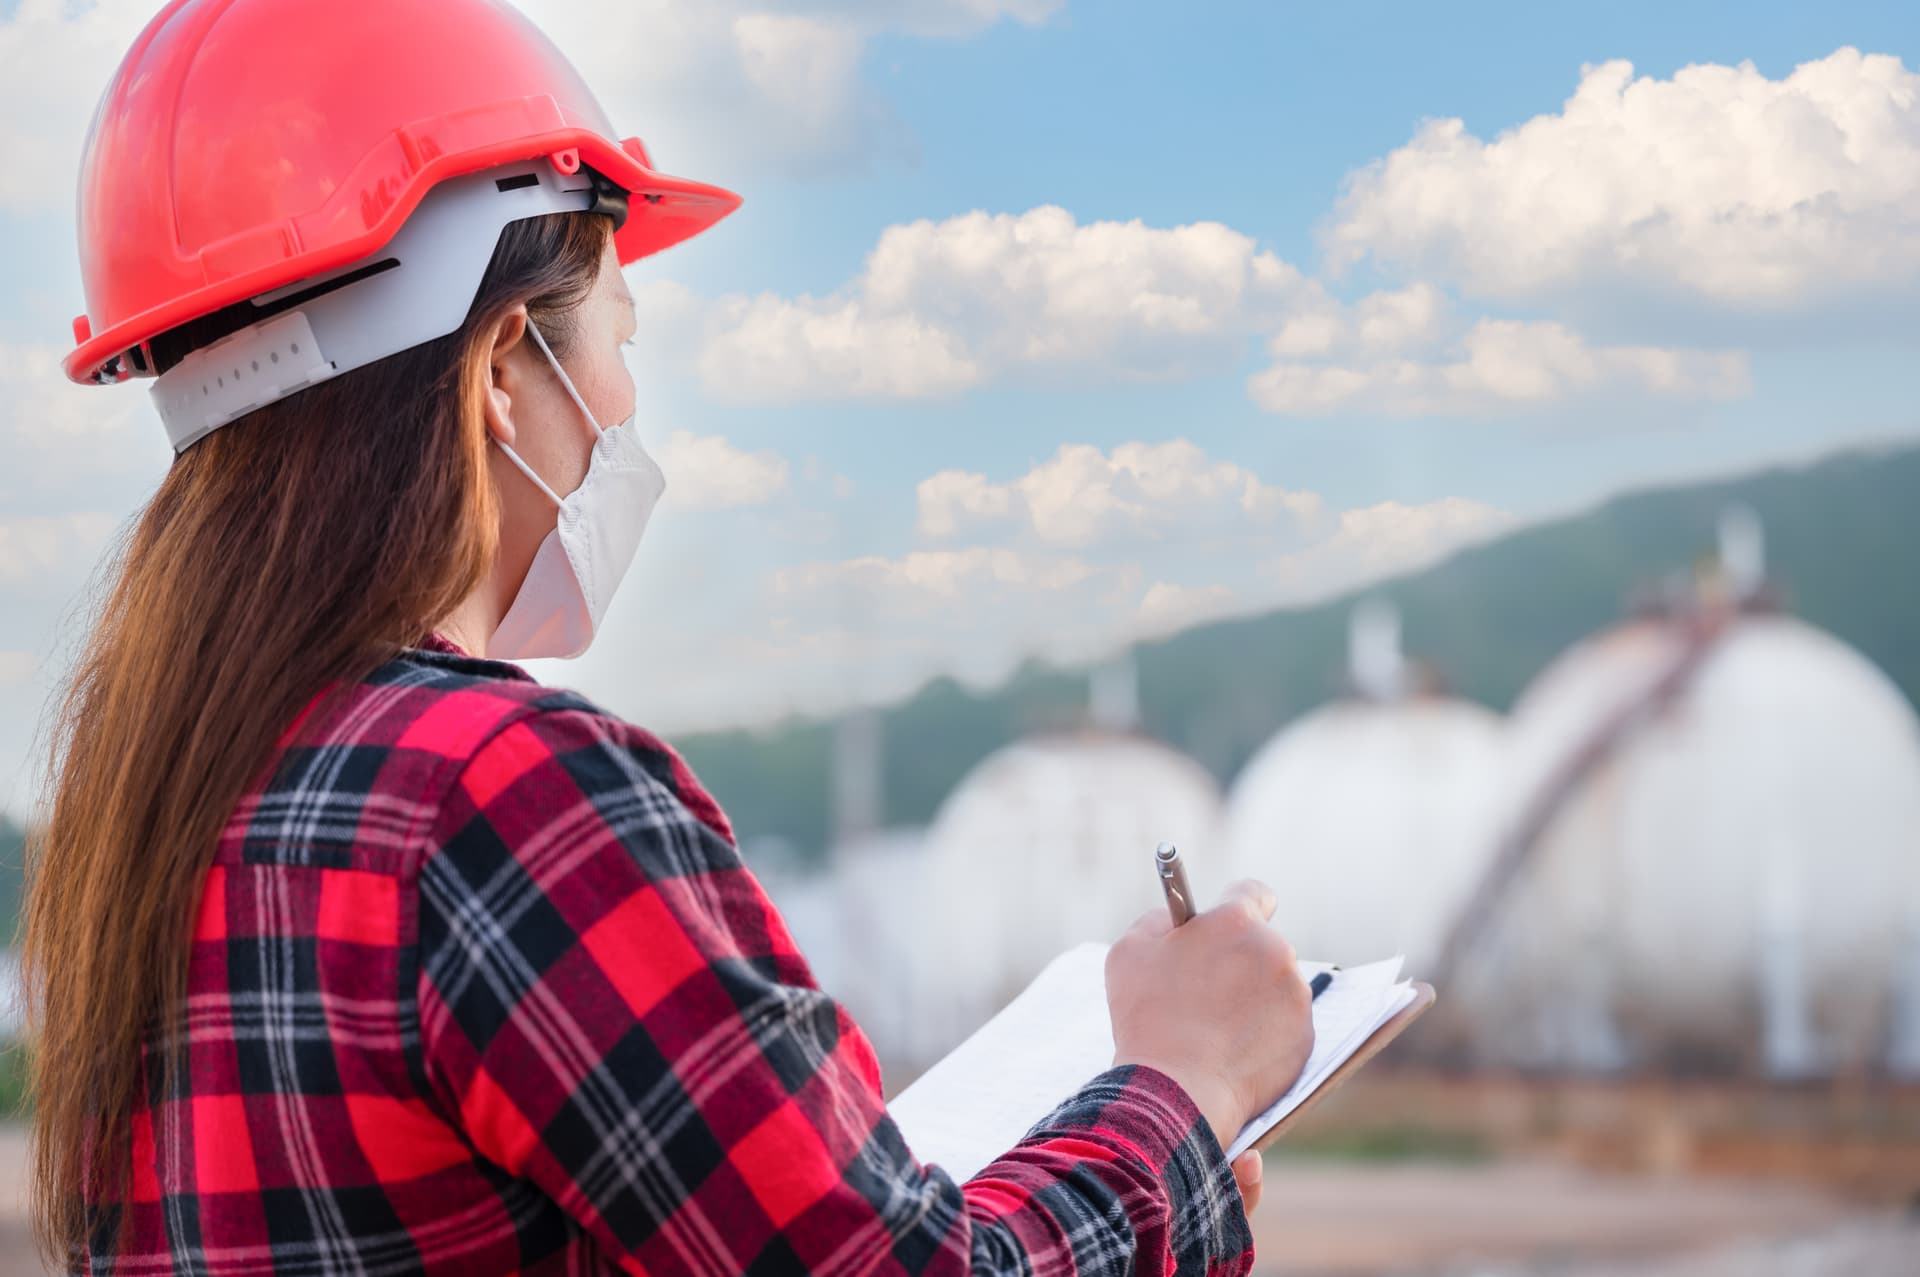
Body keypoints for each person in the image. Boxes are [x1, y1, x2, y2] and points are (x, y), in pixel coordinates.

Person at [24, 1, 1317, 1273]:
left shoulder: (143, 812)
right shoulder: (499, 797)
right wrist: (1180, 1086)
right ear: (499, 366)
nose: (625, 403)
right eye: (618, 337)